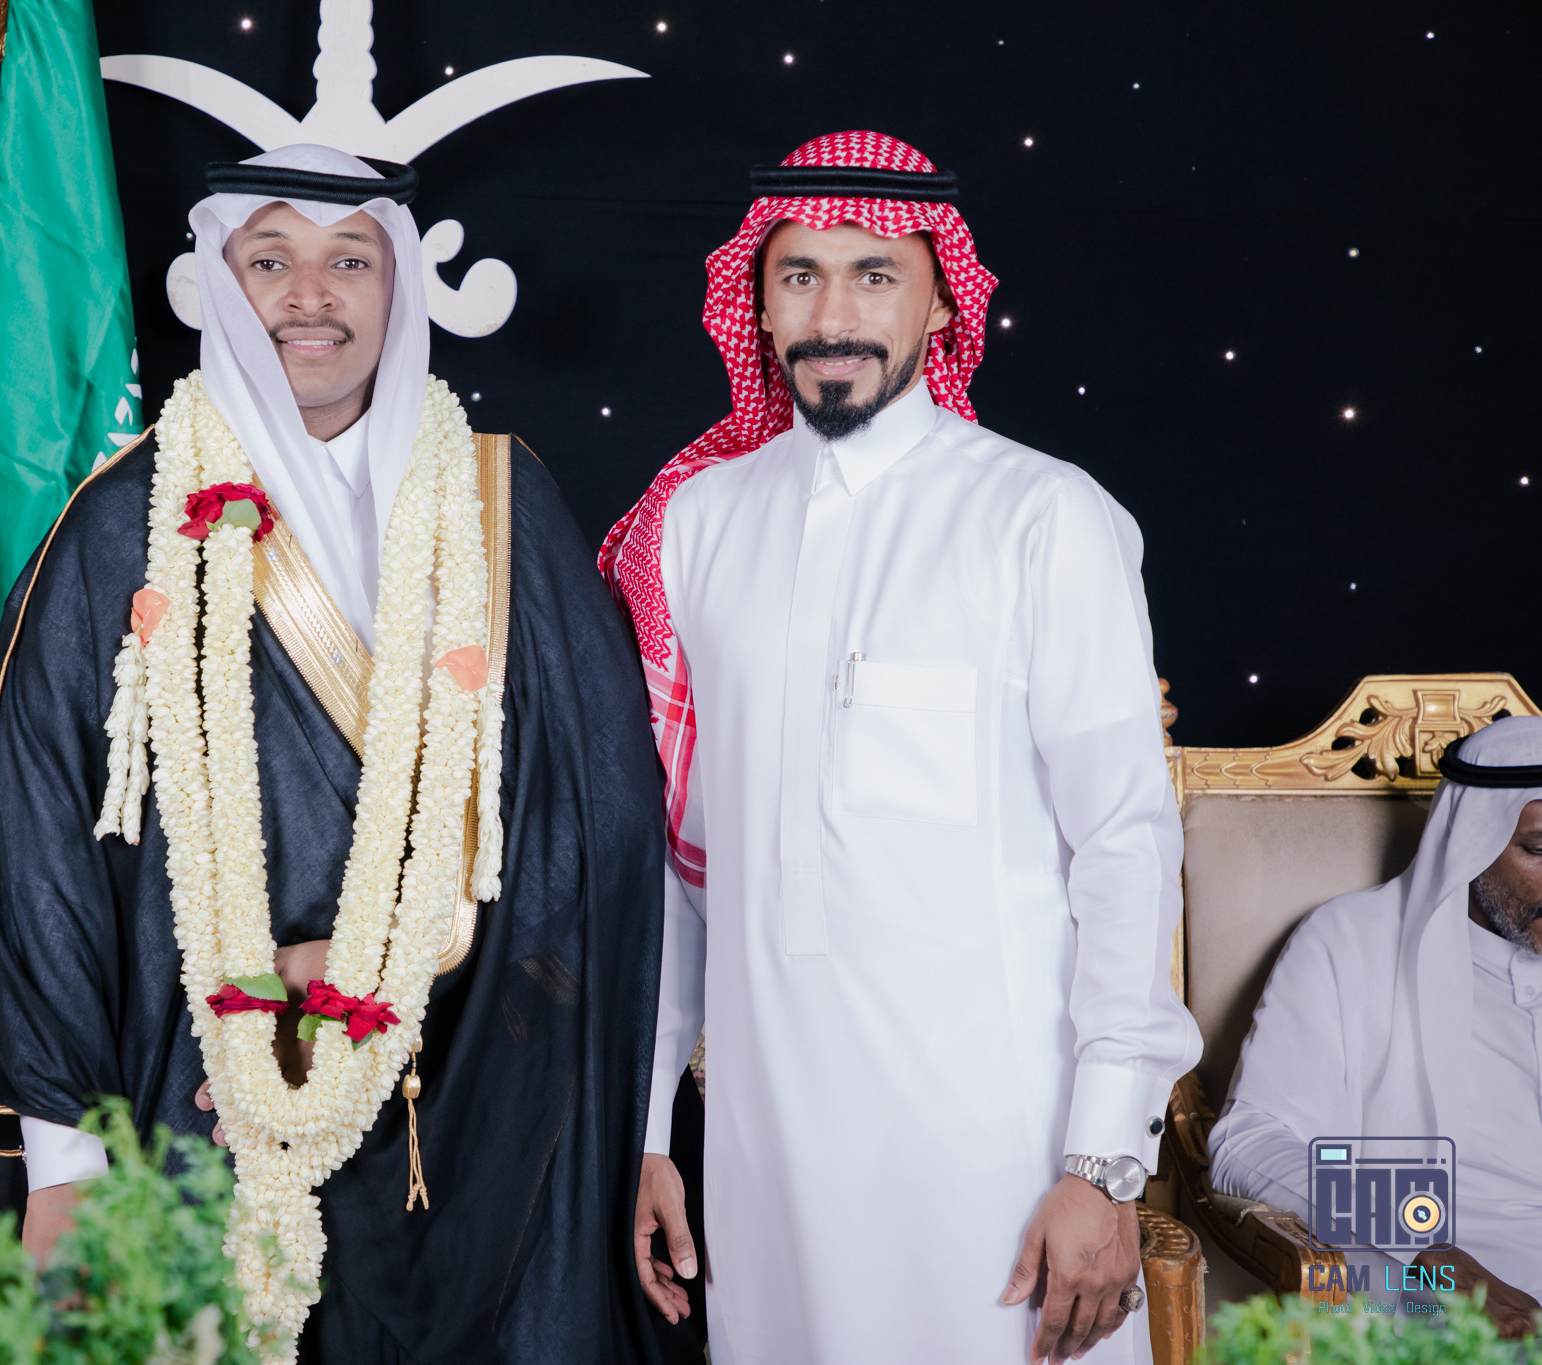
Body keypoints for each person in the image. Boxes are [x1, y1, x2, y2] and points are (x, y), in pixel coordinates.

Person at [0, 145, 674, 1364]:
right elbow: (40, 859)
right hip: (196, 1095)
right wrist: (63, 1168)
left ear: (398, 286)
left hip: (464, 1094)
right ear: (220, 283)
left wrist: (396, 957)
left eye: (348, 262)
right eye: (269, 261)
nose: (309, 296)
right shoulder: (121, 529)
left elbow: (602, 829)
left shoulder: (499, 507)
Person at [603, 131, 1202, 1364]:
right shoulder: (698, 523)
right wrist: (647, 1130)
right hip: (766, 1157)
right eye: (798, 276)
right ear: (756, 304)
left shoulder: (1039, 515)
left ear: (940, 303)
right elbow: (679, 869)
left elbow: (1123, 851)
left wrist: (1102, 1163)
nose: (832, 316)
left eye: (873, 275)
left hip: (996, 1159)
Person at [1211, 718, 1542, 1340]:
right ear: (1470, 841)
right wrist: (1427, 1250)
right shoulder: (1351, 940)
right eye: (1540, 851)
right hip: (1424, 1279)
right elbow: (1248, 1142)